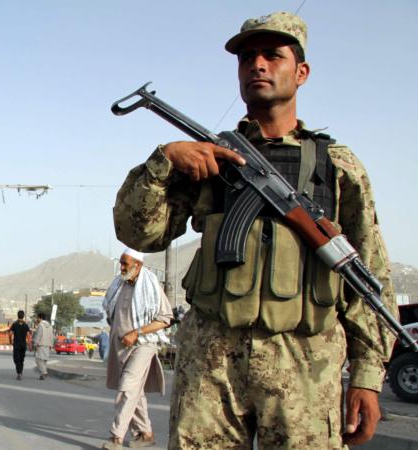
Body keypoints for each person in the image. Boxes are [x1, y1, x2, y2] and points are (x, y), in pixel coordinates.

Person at [113, 11, 398, 449]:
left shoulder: (337, 167)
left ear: (301, 72)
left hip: (306, 367)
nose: (258, 65)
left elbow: (368, 277)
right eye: (247, 58)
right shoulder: (208, 159)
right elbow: (138, 235)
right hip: (210, 366)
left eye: (272, 55)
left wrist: (367, 376)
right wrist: (165, 159)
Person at [100, 248, 173, 450]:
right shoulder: (118, 284)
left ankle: (116, 437)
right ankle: (146, 434)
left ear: (138, 265)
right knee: (135, 392)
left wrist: (137, 332)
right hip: (120, 346)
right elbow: (110, 311)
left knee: (127, 388)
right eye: (121, 263)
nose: (121, 267)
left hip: (143, 344)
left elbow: (165, 319)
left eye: (125, 263)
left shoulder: (151, 285)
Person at [7, 310, 31, 380]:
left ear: (18, 315)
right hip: (23, 345)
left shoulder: (15, 324)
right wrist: (29, 344)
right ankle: (20, 372)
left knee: (16, 359)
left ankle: (19, 373)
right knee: (21, 359)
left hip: (16, 345)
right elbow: (28, 335)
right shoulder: (26, 325)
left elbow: (10, 334)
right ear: (23, 316)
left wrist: (10, 341)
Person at [32, 312, 53, 380]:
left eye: (37, 318)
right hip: (48, 345)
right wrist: (51, 345)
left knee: (38, 360)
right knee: (44, 360)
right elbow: (52, 336)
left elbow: (38, 335)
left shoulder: (40, 326)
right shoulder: (50, 326)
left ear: (40, 318)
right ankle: (43, 374)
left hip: (41, 345)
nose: (37, 319)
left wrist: (35, 344)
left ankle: (44, 373)